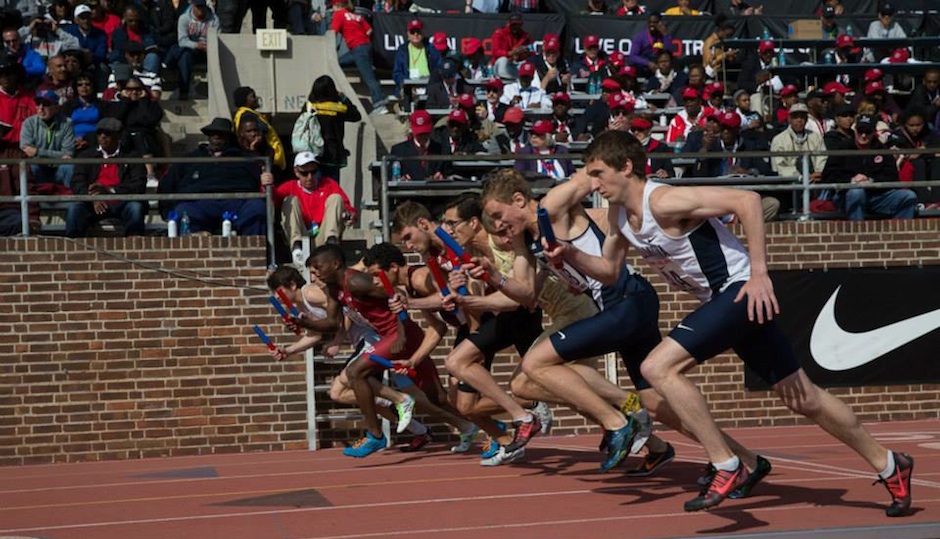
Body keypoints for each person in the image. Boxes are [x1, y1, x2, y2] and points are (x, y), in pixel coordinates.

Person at [567, 129, 915, 516]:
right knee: (804, 398)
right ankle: (890, 463)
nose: (593, 184)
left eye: (598, 173)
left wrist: (759, 274)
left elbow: (747, 200)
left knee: (657, 367)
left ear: (625, 167)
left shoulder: (664, 201)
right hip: (724, 300)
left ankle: (727, 464)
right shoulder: (620, 216)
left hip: (738, 290)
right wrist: (567, 254)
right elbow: (610, 271)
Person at [303, 243, 446, 457]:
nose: (315, 274)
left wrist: (402, 333)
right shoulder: (334, 289)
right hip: (386, 337)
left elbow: (395, 293)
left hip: (399, 334)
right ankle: (472, 425)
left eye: (317, 268)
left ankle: (376, 435)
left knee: (355, 372)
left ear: (335, 264)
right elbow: (332, 323)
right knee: (437, 397)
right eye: (312, 271)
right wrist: (302, 322)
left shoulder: (355, 281)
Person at [159, 117, 270, 235]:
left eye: (221, 135)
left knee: (257, 209)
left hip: (237, 201)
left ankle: (253, 246)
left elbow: (263, 171)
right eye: (213, 134)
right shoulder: (190, 159)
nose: (216, 137)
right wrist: (167, 211)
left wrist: (264, 178)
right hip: (198, 203)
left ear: (228, 138)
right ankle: (196, 242)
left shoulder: (244, 159)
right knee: (183, 212)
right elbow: (167, 183)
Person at [65, 117, 147, 237]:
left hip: (122, 202)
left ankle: (134, 243)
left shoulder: (132, 156)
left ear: (118, 135)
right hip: (93, 203)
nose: (102, 136)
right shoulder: (86, 156)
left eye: (107, 133)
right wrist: (92, 198)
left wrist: (110, 190)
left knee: (135, 207)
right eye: (99, 133)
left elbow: (138, 185)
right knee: (74, 209)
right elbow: (77, 182)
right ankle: (74, 244)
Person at [272, 151, 356, 262]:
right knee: (289, 200)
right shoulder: (289, 186)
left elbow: (347, 206)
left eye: (313, 172)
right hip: (302, 235)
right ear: (296, 172)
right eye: (304, 173)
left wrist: (350, 215)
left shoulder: (329, 184)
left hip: (323, 234)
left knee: (335, 198)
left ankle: (331, 245)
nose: (310, 177)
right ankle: (296, 248)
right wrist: (268, 185)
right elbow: (273, 200)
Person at [331, 0, 388, 114]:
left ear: (336, 5)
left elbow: (333, 33)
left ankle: (380, 104)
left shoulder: (338, 14)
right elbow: (369, 30)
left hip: (358, 49)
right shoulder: (357, 16)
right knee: (336, 63)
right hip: (364, 47)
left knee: (369, 78)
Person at [307, 75, 362, 182]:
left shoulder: (310, 108)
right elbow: (356, 116)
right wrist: (344, 98)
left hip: (313, 154)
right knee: (332, 188)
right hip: (333, 156)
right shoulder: (338, 110)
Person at [21, 88, 75, 191]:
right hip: (39, 167)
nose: (40, 108)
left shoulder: (67, 123)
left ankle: (70, 197)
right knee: (32, 166)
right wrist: (59, 155)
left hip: (59, 168)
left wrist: (38, 152)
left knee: (69, 166)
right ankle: (36, 197)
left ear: (56, 107)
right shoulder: (28, 123)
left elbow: (68, 154)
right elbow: (27, 151)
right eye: (38, 104)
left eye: (45, 104)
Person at [164, 0, 218, 100]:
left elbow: (218, 37)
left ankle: (217, 91)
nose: (200, 9)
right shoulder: (184, 18)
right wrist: (196, 45)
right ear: (193, 6)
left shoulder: (214, 19)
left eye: (202, 6)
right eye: (198, 7)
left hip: (209, 49)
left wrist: (209, 46)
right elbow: (182, 41)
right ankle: (184, 91)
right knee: (185, 56)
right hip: (191, 49)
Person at [770, 102, 827, 195]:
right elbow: (780, 166)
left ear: (807, 119)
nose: (799, 120)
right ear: (789, 119)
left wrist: (818, 172)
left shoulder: (816, 137)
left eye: (802, 117)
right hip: (790, 183)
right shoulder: (779, 140)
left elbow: (822, 158)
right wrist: (801, 177)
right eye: (795, 117)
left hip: (816, 180)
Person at [232, 86, 285, 171]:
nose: (256, 99)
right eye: (252, 96)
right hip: (266, 160)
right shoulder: (247, 116)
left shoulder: (244, 114)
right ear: (244, 100)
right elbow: (257, 137)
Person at [389, 110, 451, 182]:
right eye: (419, 134)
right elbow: (390, 177)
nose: (422, 137)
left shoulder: (443, 149)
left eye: (425, 133)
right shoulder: (398, 151)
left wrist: (443, 177)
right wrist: (402, 179)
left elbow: (450, 173)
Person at [391, 19, 442, 101]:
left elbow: (439, 68)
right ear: (408, 33)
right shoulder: (402, 50)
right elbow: (397, 72)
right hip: (409, 86)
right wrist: (404, 83)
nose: (416, 34)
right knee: (406, 95)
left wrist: (432, 81)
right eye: (412, 32)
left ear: (423, 33)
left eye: (418, 32)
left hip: (428, 85)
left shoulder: (431, 49)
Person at [488, 12, 531, 81]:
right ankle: (505, 78)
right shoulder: (500, 33)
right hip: (501, 64)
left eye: (518, 25)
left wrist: (526, 53)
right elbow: (495, 51)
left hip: (516, 65)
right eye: (513, 25)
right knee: (503, 60)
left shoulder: (525, 36)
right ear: (509, 24)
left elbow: (531, 52)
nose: (516, 27)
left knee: (528, 63)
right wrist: (510, 53)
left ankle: (523, 80)